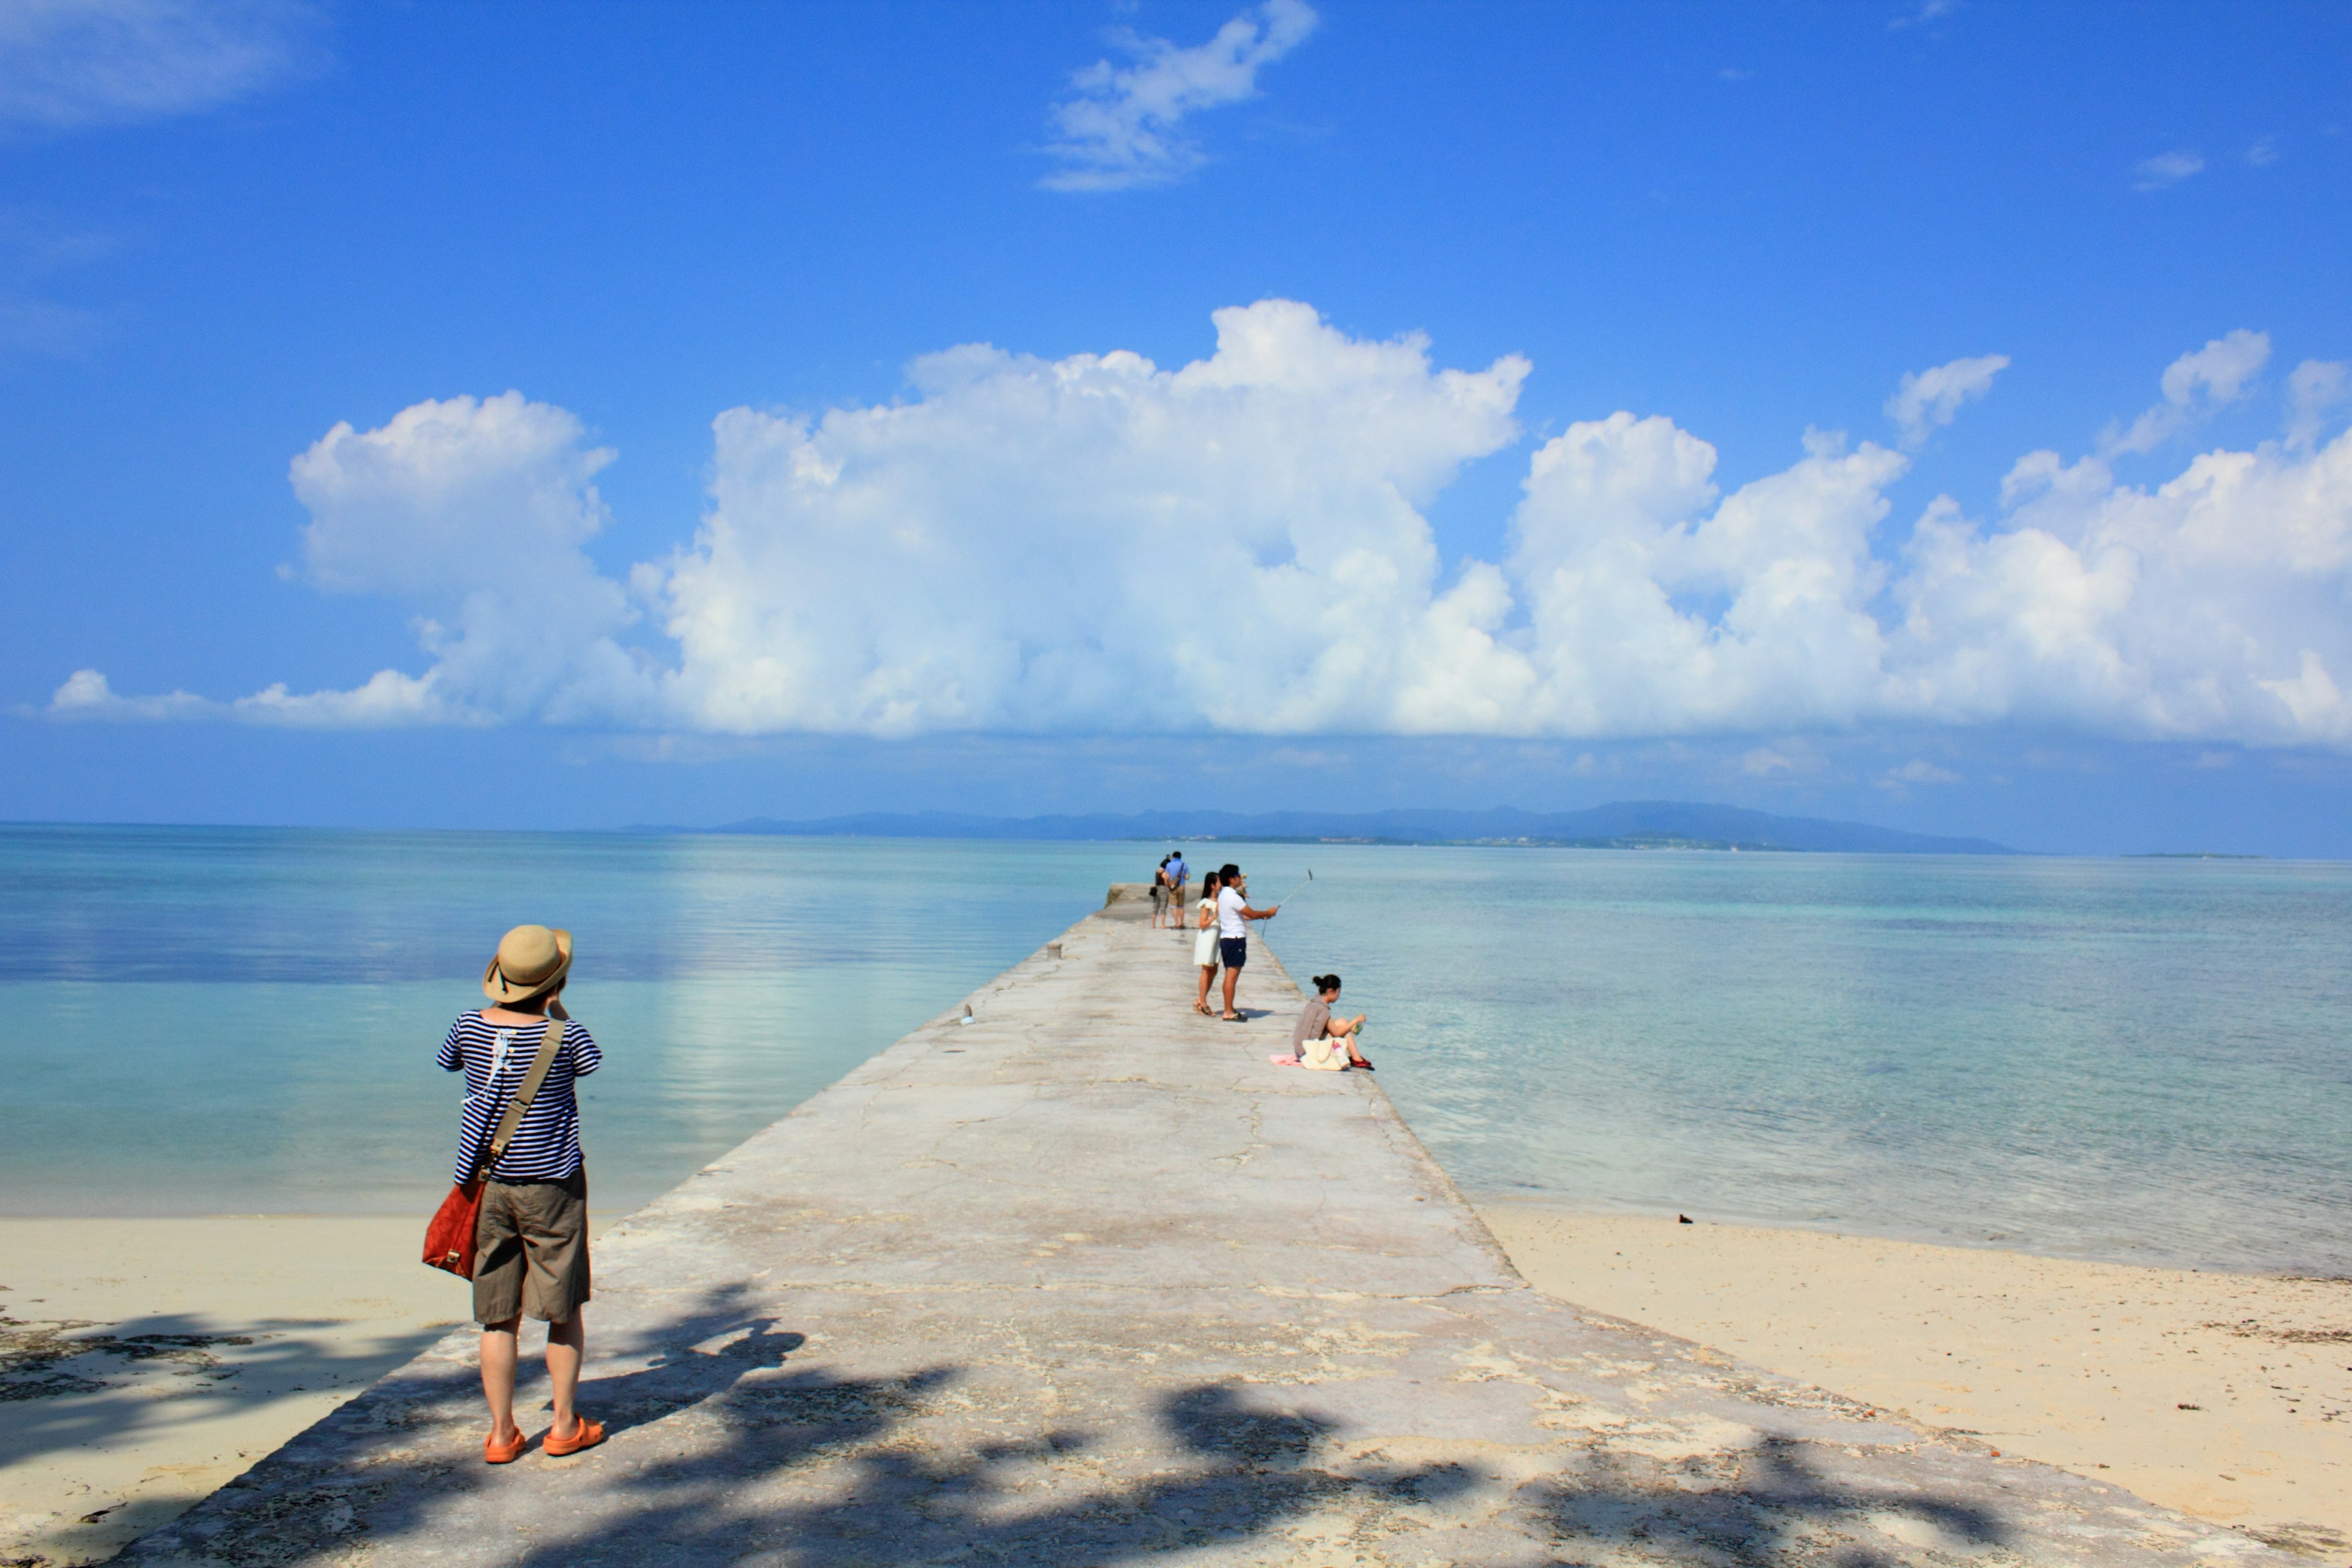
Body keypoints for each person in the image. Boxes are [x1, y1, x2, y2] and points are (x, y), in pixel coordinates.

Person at [441, 923, 606, 1464]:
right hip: (554, 1184)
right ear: (555, 984)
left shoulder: (468, 1025)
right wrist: (556, 1014)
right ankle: (562, 1426)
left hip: (489, 1183)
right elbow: (592, 1063)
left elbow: (450, 1062)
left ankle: (502, 1434)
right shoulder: (568, 1034)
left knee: (498, 1315)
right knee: (563, 1310)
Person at [1213, 863, 1278, 1022]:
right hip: (1235, 940)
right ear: (1231, 879)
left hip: (1227, 939)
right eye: (1237, 876)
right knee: (1232, 976)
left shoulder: (1223, 895)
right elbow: (1251, 913)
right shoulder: (1233, 897)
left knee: (1230, 975)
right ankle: (1229, 1012)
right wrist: (1268, 912)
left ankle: (1229, 1008)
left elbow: (1243, 916)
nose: (1240, 878)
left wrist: (1263, 915)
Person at [1292, 973, 1371, 1070]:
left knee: (1342, 1022)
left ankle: (1356, 1058)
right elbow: (1337, 1033)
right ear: (1331, 991)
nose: (1339, 996)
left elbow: (1323, 1026)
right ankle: (1357, 1059)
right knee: (1343, 1025)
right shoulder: (1323, 1009)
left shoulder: (1314, 1003)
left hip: (1300, 1048)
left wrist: (1350, 1027)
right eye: (1338, 992)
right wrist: (1356, 1020)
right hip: (1308, 1050)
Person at [1192, 870, 1223, 1015]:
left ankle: (1201, 999)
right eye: (1219, 883)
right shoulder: (1206, 903)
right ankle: (1203, 1002)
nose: (1221, 885)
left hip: (1217, 937)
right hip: (1208, 936)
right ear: (1212, 885)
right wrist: (1215, 916)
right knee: (1206, 969)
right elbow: (1202, 924)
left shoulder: (1220, 901)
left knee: (1214, 969)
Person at [1167, 851, 1189, 933]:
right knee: (1181, 906)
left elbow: (1167, 876)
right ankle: (1181, 923)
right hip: (1181, 886)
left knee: (1173, 906)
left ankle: (1176, 924)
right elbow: (1187, 877)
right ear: (1180, 857)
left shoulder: (1169, 865)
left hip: (1173, 887)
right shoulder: (1184, 865)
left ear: (1173, 857)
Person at [1150, 856, 1171, 929]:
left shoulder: (1157, 871)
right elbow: (1166, 883)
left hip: (1157, 889)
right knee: (1163, 907)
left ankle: (1153, 924)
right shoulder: (1165, 873)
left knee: (1155, 907)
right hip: (1163, 890)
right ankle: (1162, 924)